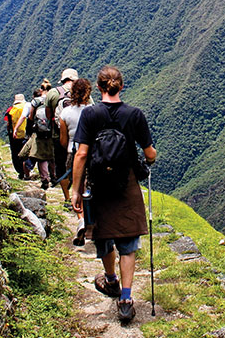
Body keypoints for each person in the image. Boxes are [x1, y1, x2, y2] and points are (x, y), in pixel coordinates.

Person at [71, 66, 157, 323]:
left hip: (99, 184)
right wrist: (147, 162)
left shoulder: (90, 114)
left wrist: (76, 190)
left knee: (104, 234)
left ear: (99, 88)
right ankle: (127, 299)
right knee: (128, 242)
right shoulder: (135, 115)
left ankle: (111, 281)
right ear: (121, 87)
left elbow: (82, 154)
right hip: (126, 183)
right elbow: (150, 153)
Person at [59, 77, 92, 245]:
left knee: (77, 186)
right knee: (91, 186)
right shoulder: (94, 111)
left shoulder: (65, 113)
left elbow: (63, 140)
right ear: (88, 92)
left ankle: (81, 219)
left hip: (73, 152)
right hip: (92, 153)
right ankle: (92, 221)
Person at [19, 88, 58, 189]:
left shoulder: (36, 102)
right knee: (52, 156)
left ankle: (45, 180)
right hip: (51, 132)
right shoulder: (54, 99)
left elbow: (31, 118)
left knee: (41, 158)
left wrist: (29, 132)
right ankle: (54, 177)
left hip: (39, 134)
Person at [4, 94, 31, 180]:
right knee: (26, 154)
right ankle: (27, 171)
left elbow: (8, 124)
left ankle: (20, 172)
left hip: (15, 136)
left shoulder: (11, 110)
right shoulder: (28, 107)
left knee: (16, 154)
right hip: (26, 134)